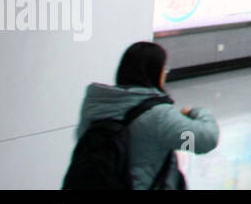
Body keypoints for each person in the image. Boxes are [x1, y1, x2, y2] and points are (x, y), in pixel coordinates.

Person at [73, 41, 219, 189]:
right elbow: (205, 140)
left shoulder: (96, 105)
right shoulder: (159, 116)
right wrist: (197, 112)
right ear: (155, 73)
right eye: (164, 69)